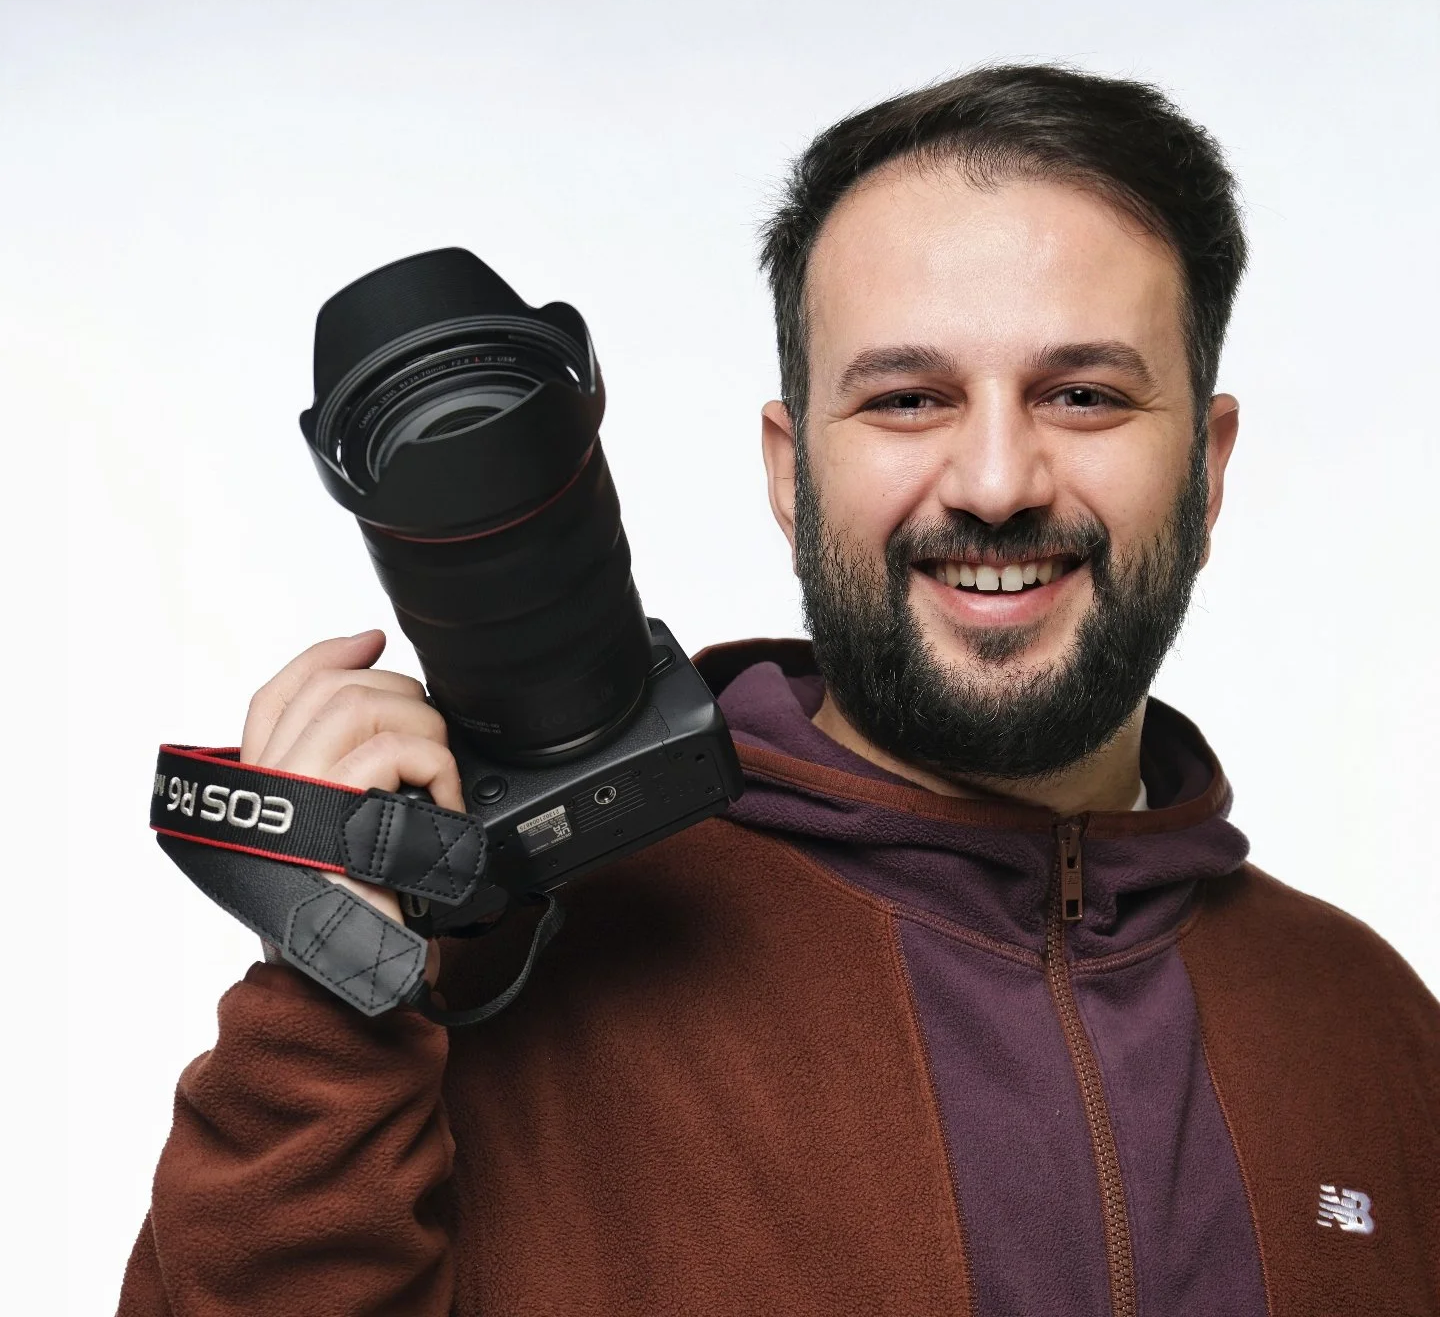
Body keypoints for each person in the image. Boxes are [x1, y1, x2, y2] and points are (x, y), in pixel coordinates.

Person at [117, 65, 1439, 1317]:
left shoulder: (1371, 1028)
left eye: (1083, 395)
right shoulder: (483, 971)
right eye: (908, 399)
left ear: (1208, 469)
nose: (996, 482)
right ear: (791, 473)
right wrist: (331, 983)